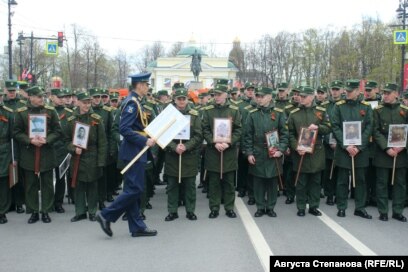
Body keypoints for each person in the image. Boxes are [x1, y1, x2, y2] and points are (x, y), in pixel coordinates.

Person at [96, 72, 157, 238]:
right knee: (135, 189)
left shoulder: (136, 101)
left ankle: (137, 227)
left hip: (136, 151)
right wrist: (144, 141)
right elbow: (124, 129)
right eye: (146, 85)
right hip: (133, 152)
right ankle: (106, 215)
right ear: (139, 85)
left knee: (133, 189)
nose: (147, 87)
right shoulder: (132, 102)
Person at [13, 86, 62, 224]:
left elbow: (58, 131)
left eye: (43, 96)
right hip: (29, 153)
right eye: (39, 96)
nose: (42, 99)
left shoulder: (50, 111)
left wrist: (47, 140)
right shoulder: (22, 112)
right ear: (31, 97)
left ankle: (46, 210)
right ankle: (33, 211)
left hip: (46, 152)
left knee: (47, 184)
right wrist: (30, 140)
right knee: (30, 185)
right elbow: (16, 132)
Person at [331, 79, 373, 219]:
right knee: (342, 180)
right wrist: (346, 145)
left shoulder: (366, 107)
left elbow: (369, 127)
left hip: (360, 150)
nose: (347, 93)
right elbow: (335, 126)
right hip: (344, 150)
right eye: (346, 91)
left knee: (361, 180)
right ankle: (341, 207)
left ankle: (359, 208)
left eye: (350, 91)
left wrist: (359, 146)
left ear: (357, 92)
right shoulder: (339, 106)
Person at [243, 87, 288, 217]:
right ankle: (260, 207)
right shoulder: (252, 114)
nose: (259, 99)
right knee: (258, 182)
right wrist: (249, 153)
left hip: (273, 152)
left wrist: (281, 150)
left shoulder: (279, 113)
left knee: (272, 181)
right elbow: (248, 136)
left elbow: (284, 134)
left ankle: (271, 207)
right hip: (258, 152)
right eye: (257, 96)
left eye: (262, 96)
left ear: (269, 97)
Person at [287, 86, 331, 217]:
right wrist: (296, 147)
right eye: (300, 96)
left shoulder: (321, 111)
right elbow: (289, 133)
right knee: (301, 181)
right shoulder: (294, 113)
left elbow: (329, 127)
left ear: (312, 97)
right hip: (300, 152)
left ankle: (313, 206)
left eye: (304, 96)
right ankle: (301, 206)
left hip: (316, 151)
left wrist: (318, 127)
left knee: (315, 181)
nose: (301, 98)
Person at [65, 91, 107, 222]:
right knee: (78, 186)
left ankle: (92, 211)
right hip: (77, 157)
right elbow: (66, 140)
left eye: (89, 103)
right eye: (84, 102)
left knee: (92, 186)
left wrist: (100, 162)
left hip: (92, 156)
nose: (87, 105)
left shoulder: (96, 119)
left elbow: (102, 142)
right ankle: (80, 212)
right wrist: (73, 148)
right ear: (77, 102)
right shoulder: (71, 120)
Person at [202, 84, 242, 219]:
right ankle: (214, 208)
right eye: (215, 94)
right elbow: (205, 129)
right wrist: (214, 142)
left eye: (219, 94)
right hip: (213, 151)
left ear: (226, 95)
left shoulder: (234, 110)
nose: (216, 97)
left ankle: (229, 208)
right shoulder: (208, 110)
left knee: (229, 182)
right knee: (214, 182)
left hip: (228, 151)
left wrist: (228, 142)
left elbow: (238, 130)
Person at [163, 87, 202, 221]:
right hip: (173, 155)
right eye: (178, 99)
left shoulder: (194, 114)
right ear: (174, 100)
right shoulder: (168, 115)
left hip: (189, 155)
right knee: (172, 185)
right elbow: (163, 135)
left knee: (190, 185)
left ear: (187, 99)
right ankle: (172, 211)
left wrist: (186, 146)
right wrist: (174, 147)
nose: (181, 101)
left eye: (183, 99)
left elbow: (198, 135)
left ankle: (190, 211)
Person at [372, 83, 408, 222]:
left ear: (396, 94)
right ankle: (383, 211)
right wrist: (387, 148)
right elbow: (375, 131)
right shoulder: (378, 110)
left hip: (400, 153)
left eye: (388, 93)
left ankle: (397, 211)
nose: (385, 95)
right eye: (384, 93)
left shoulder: (405, 110)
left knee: (400, 183)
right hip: (383, 152)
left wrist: (402, 147)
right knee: (382, 183)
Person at [0, 88, 14, 224]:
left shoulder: (7, 113)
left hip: (4, 150)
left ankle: (2, 212)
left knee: (4, 182)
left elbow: (12, 136)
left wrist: (14, 157)